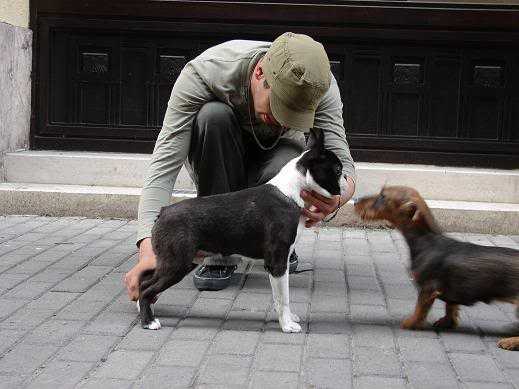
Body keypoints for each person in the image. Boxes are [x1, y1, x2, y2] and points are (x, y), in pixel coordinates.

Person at [124, 32, 356, 300]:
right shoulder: (205, 71)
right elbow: (163, 166)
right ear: (259, 74)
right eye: (277, 107)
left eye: (292, 116)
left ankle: (280, 239)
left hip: (276, 167)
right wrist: (149, 252)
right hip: (221, 156)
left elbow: (345, 166)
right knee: (213, 116)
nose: (281, 121)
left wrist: (337, 199)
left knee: (294, 162)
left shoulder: (319, 85)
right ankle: (216, 254)